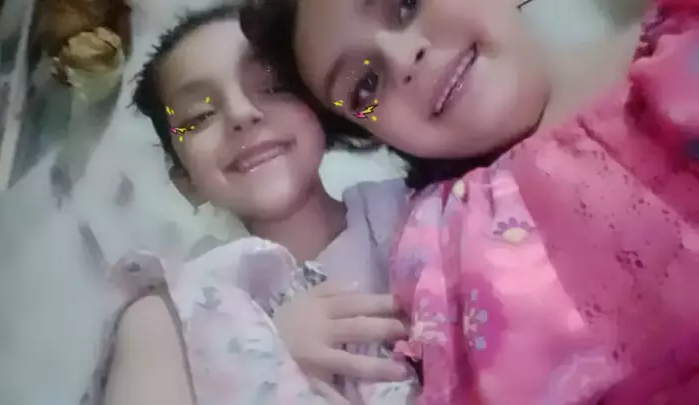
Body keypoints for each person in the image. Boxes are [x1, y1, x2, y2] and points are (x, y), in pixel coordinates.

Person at [241, 0, 699, 403]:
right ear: (372, 134)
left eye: (407, 3)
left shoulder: (682, 35)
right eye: (365, 87)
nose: (402, 58)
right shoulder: (437, 253)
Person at [83, 5, 419, 405]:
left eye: (274, 86)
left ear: (319, 110)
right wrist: (267, 355)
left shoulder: (416, 209)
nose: (241, 114)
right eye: (199, 116)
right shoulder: (175, 313)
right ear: (186, 181)